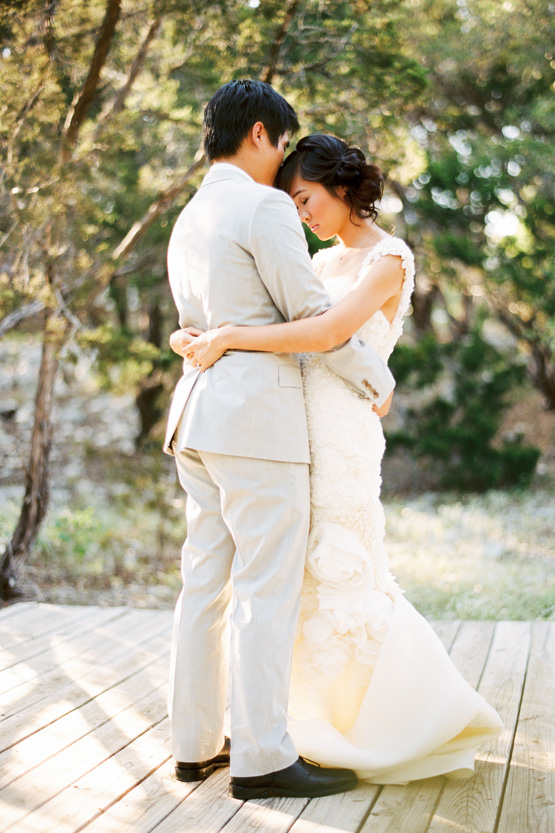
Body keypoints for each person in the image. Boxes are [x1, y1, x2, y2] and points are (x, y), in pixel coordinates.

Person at [173, 134, 504, 784]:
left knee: (347, 565)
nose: (303, 214)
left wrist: (230, 336)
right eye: (294, 204)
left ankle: (394, 720)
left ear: (343, 184)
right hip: (292, 424)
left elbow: (326, 333)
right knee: (295, 580)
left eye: (307, 198)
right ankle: (300, 723)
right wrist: (204, 332)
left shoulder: (389, 258)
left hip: (344, 427)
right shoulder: (317, 262)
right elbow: (284, 320)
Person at [164, 81, 398, 800]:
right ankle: (263, 756)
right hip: (255, 425)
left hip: (195, 420)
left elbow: (197, 325)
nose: (283, 176)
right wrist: (374, 377)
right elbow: (312, 313)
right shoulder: (260, 205)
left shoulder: (189, 217)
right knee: (265, 588)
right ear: (261, 133)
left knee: (204, 581)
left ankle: (196, 745)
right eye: (280, 149)